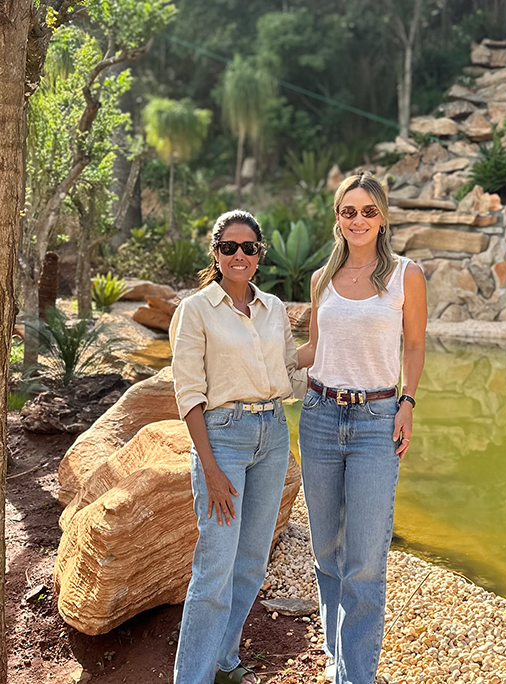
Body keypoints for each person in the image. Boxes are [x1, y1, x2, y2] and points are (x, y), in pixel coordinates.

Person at [170, 210, 310, 684]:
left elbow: (288, 376)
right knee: (214, 569)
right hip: (223, 439)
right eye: (229, 247)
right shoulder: (196, 310)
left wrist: (338, 349)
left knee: (251, 563)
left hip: (273, 435)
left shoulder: (273, 308)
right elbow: (189, 393)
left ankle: (224, 660)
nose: (239, 255)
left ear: (259, 254)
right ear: (216, 252)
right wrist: (209, 467)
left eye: (248, 247)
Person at [299, 172, 427, 684]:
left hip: (377, 421)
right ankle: (337, 658)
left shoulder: (405, 275)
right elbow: (313, 350)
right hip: (319, 416)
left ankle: (357, 676)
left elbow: (413, 345)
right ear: (337, 217)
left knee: (367, 559)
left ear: (382, 217)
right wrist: (251, 355)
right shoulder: (320, 279)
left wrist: (408, 401)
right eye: (349, 211)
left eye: (368, 211)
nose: (358, 220)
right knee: (326, 550)